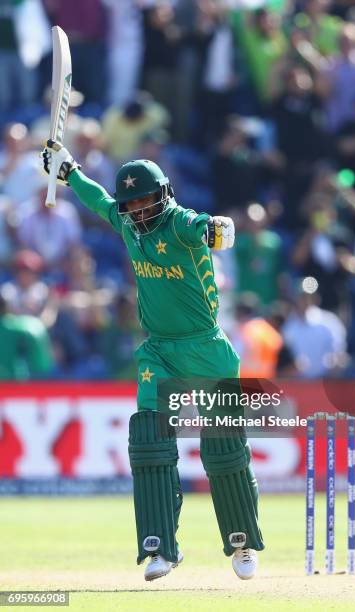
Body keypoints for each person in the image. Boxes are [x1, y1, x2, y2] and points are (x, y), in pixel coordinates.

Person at [41, 141, 264, 581]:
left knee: (224, 449)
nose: (138, 211)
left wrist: (217, 229)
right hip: (158, 349)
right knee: (149, 442)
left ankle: (241, 541)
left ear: (163, 194)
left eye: (145, 201)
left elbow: (210, 228)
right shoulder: (128, 226)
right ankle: (159, 546)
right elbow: (102, 201)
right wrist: (70, 172)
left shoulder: (179, 223)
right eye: (132, 205)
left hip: (206, 350)